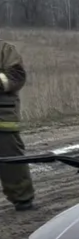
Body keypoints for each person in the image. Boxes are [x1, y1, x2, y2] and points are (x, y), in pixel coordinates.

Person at [0, 38, 35, 211]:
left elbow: (16, 76)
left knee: (11, 160)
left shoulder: (4, 49)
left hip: (2, 116)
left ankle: (23, 199)